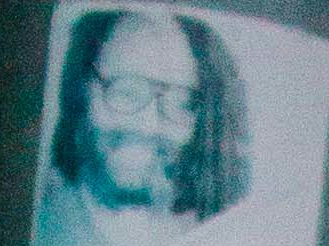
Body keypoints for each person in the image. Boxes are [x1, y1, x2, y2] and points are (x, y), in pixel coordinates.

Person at [48, 9, 250, 222]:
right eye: (125, 92)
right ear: (82, 89)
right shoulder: (38, 214)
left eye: (180, 103)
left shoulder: (221, 232)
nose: (148, 126)